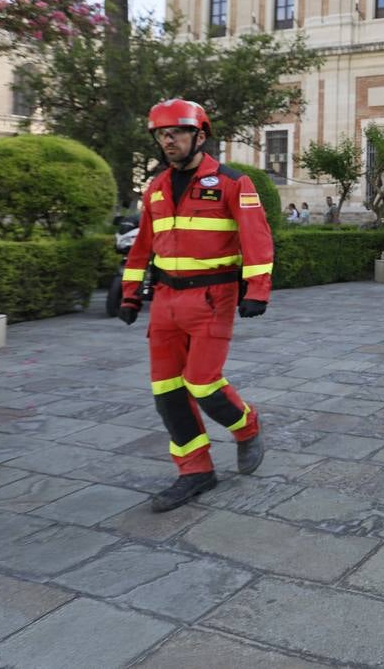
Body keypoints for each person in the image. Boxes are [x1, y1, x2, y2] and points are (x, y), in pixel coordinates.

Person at [119, 98, 275, 512]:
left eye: (176, 133)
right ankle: (195, 470)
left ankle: (247, 427)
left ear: (200, 136)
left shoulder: (231, 182)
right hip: (166, 302)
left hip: (212, 298)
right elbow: (142, 247)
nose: (167, 140)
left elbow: (256, 239)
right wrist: (130, 293)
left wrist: (257, 289)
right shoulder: (153, 190)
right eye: (161, 134)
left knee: (203, 383)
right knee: (167, 391)